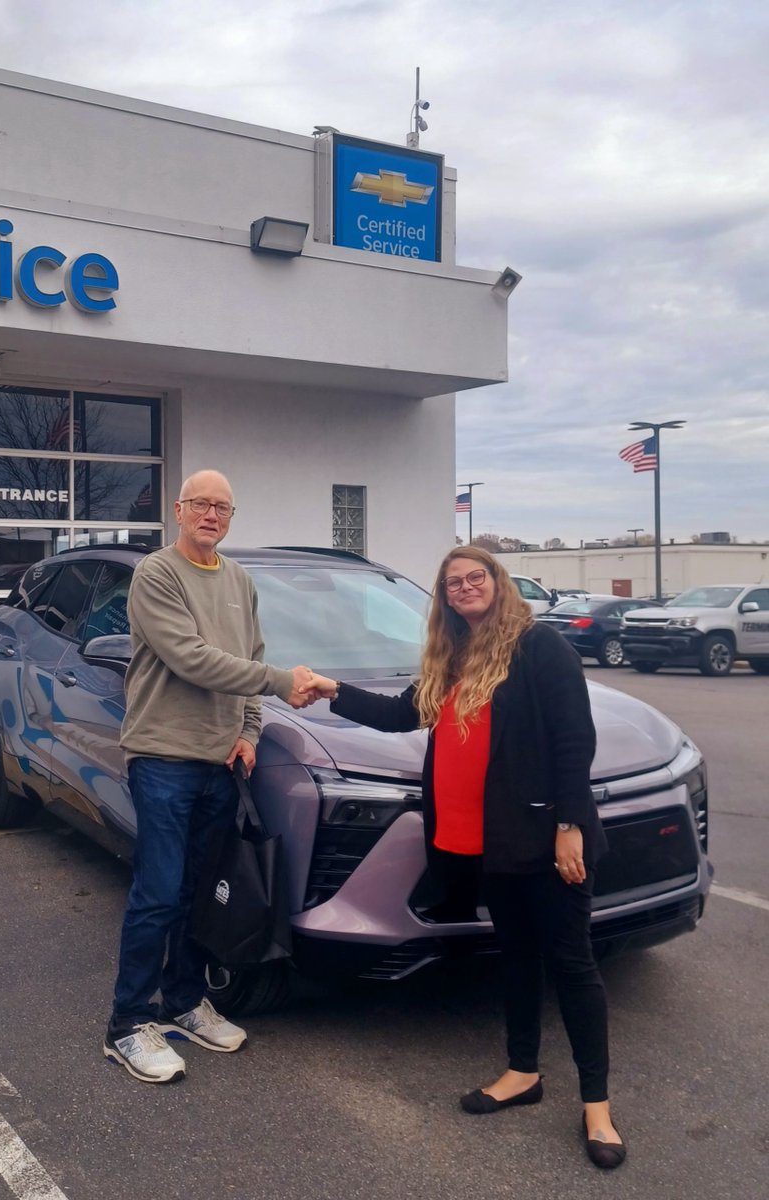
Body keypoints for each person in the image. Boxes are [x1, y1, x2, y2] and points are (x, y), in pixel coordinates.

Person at [306, 546, 626, 1169]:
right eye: (452, 583)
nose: (464, 588)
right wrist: (331, 690)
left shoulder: (539, 648)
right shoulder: (453, 656)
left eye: (475, 576)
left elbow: (573, 741)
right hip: (489, 842)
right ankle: (522, 1072)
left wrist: (569, 826)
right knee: (516, 958)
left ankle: (597, 1106)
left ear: (497, 581)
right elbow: (402, 713)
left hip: (546, 839)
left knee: (572, 965)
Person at [103, 469, 314, 1084]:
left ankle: (184, 1002)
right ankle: (126, 1024)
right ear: (178, 509)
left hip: (221, 764)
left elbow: (247, 661)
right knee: (160, 892)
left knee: (201, 893)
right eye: (201, 504)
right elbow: (190, 659)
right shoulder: (157, 573)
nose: (212, 515)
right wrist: (280, 682)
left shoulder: (240, 581)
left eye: (223, 506)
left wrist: (249, 731)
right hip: (164, 758)